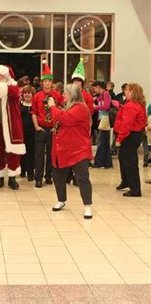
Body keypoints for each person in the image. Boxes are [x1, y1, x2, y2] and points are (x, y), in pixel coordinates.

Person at [47, 84, 94, 219]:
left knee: (82, 178)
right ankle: (61, 200)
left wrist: (52, 107)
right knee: (58, 175)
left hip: (79, 150)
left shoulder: (81, 108)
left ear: (72, 95)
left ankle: (87, 207)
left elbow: (66, 119)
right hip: (64, 150)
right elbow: (59, 119)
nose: (63, 96)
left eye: (65, 93)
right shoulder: (68, 107)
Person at [31, 61, 63, 188]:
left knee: (52, 154)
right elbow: (33, 112)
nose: (47, 83)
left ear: (52, 82)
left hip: (53, 129)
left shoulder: (57, 96)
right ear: (42, 82)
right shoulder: (37, 96)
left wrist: (57, 126)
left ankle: (48, 176)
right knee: (39, 155)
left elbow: (62, 109)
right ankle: (38, 178)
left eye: (49, 81)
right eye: (45, 81)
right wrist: (36, 127)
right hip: (41, 128)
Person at [114, 83, 147, 197]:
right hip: (133, 135)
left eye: (127, 90)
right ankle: (126, 181)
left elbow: (126, 124)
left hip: (129, 136)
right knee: (123, 159)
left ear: (132, 92)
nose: (125, 92)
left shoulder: (131, 105)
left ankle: (135, 189)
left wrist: (119, 138)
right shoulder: (134, 104)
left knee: (129, 162)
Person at [91, 81, 113, 169]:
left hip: (105, 119)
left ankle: (98, 162)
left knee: (101, 142)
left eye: (95, 88)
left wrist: (96, 107)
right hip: (102, 119)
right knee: (105, 142)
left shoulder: (106, 94)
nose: (94, 90)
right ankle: (107, 163)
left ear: (98, 87)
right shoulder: (101, 95)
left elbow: (106, 106)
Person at [20, 85, 35, 182]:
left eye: (29, 93)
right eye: (25, 93)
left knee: (31, 152)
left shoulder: (35, 104)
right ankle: (22, 169)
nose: (27, 94)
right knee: (22, 152)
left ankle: (30, 172)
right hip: (21, 131)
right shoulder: (19, 104)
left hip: (33, 132)